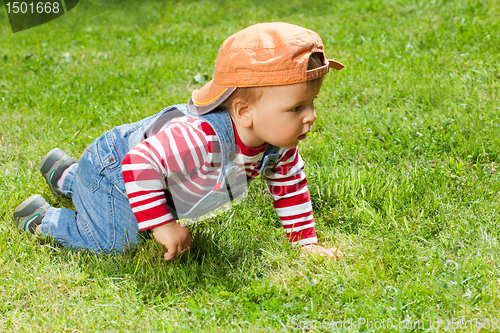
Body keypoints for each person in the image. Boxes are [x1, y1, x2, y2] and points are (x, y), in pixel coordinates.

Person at [13, 22, 345, 261]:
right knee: (115, 242)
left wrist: (305, 244)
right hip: (116, 171)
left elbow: (290, 186)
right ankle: (45, 219)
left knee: (131, 207)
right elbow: (138, 164)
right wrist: (164, 225)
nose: (310, 116)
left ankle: (68, 176)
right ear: (245, 111)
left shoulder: (278, 145)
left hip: (146, 178)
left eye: (311, 103)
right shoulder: (201, 138)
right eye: (296, 107)